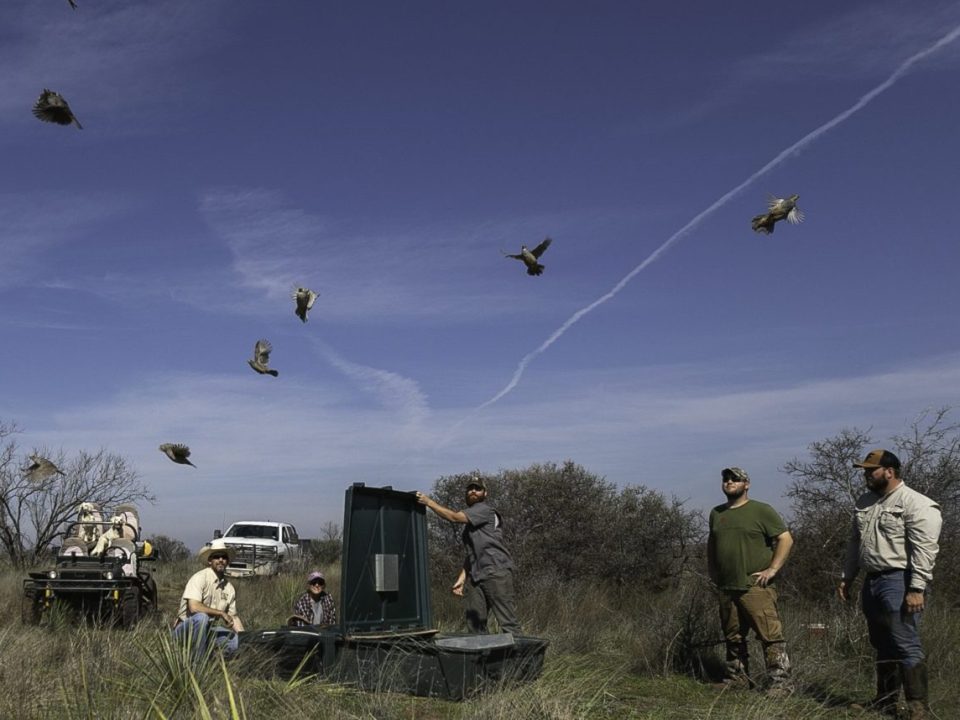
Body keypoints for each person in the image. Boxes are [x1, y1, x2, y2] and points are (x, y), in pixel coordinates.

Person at [838, 449, 942, 720]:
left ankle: (919, 709)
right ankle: (885, 702)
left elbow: (925, 550)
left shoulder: (917, 504)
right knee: (881, 643)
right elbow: (854, 543)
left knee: (905, 642)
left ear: (890, 471)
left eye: (871, 470)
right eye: (864, 470)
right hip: (872, 580)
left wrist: (916, 588)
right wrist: (847, 577)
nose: (866, 475)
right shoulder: (865, 501)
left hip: (901, 579)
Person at [707, 467, 794, 694]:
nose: (729, 482)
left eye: (735, 479)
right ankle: (737, 678)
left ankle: (781, 684)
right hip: (727, 586)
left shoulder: (761, 510)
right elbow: (712, 544)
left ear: (746, 484)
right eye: (726, 478)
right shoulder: (716, 513)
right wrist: (713, 571)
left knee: (770, 635)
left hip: (755, 587)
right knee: (733, 636)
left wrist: (772, 569)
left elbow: (785, 539)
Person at [416, 477, 521, 635]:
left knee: (508, 623)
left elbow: (454, 517)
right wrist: (462, 577)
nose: (473, 491)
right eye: (470, 488)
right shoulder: (472, 525)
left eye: (477, 489)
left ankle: (525, 659)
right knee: (475, 623)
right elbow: (473, 552)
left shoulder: (484, 510)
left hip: (495, 571)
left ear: (485, 493)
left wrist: (429, 502)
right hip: (477, 576)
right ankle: (483, 658)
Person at [172, 539, 245, 657]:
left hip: (208, 631)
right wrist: (221, 613)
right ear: (210, 561)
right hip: (185, 631)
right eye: (217, 557)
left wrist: (245, 638)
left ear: (227, 561)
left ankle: (210, 654)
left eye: (224, 557)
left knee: (237, 642)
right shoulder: (200, 578)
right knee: (201, 618)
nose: (221, 560)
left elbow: (233, 617)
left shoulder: (229, 588)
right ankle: (197, 663)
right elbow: (194, 607)